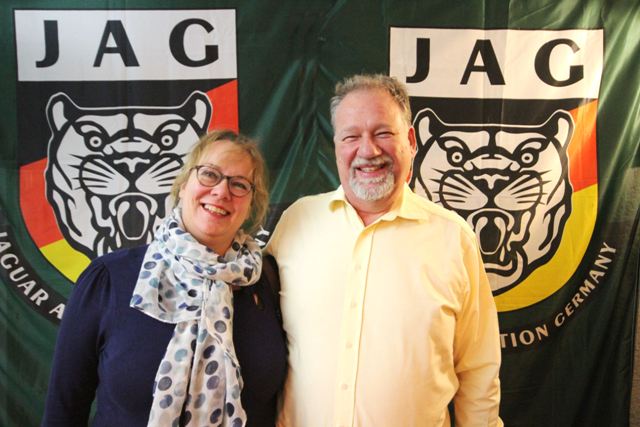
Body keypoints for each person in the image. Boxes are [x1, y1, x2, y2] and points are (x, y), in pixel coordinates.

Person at [266, 74, 502, 426]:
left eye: (383, 133)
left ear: (411, 141)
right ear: (336, 146)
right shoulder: (295, 223)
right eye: (351, 136)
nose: (368, 151)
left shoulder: (454, 239)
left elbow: (479, 371)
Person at [42, 130, 287, 427]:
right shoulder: (109, 279)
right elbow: (64, 409)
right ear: (183, 186)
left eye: (239, 184)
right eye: (209, 174)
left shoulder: (267, 284)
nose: (222, 192)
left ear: (250, 205)